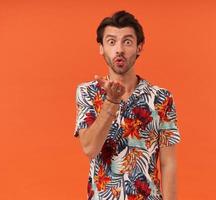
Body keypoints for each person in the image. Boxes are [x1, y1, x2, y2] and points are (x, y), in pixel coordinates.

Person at [74, 10, 181, 200]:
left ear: (139, 47)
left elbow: (168, 163)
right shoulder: (87, 92)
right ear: (101, 48)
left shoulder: (162, 98)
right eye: (112, 41)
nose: (119, 49)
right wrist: (111, 102)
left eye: (128, 41)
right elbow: (89, 148)